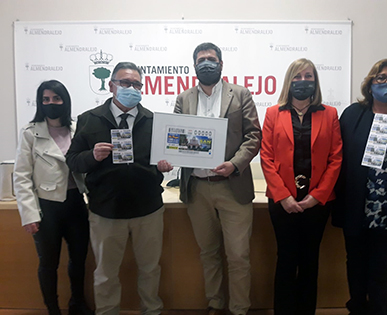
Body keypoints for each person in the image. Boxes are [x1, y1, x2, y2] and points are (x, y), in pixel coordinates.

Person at [159, 42, 261, 315]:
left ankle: (239, 309)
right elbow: (176, 139)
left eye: (211, 59)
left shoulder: (240, 94)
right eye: (201, 59)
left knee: (239, 256)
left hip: (233, 185)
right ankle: (215, 304)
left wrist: (234, 164)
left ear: (221, 64)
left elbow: (253, 137)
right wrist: (169, 155)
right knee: (208, 253)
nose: (207, 63)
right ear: (194, 66)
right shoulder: (184, 98)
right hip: (198, 189)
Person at [66, 62, 170, 315]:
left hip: (148, 210)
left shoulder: (155, 122)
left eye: (136, 84)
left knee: (150, 269)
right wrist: (92, 156)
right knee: (106, 273)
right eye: (125, 82)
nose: (130, 88)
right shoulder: (89, 120)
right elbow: (73, 160)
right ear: (111, 85)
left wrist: (165, 165)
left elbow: (162, 159)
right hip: (106, 210)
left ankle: (151, 310)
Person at [333, 58, 387, 315]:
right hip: (356, 206)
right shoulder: (354, 114)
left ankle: (379, 310)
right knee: (355, 265)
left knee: (382, 268)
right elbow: (337, 155)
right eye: (381, 78)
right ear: (371, 84)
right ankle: (357, 308)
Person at [260, 58, 342, 315]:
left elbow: (336, 158)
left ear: (315, 81)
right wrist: (283, 197)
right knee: (286, 259)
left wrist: (317, 197)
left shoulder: (329, 114)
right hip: (282, 202)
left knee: (310, 261)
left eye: (308, 76)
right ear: (289, 81)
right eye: (297, 76)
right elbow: (266, 157)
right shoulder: (274, 113)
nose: (303, 81)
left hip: (317, 204)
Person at [13, 80, 93, 315]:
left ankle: (77, 304)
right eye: (45, 99)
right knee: (48, 264)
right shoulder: (30, 133)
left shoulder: (78, 129)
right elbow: (21, 176)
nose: (51, 103)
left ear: (64, 101)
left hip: (76, 204)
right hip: (47, 208)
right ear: (40, 102)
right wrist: (28, 215)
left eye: (56, 99)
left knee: (79, 261)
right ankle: (52, 309)